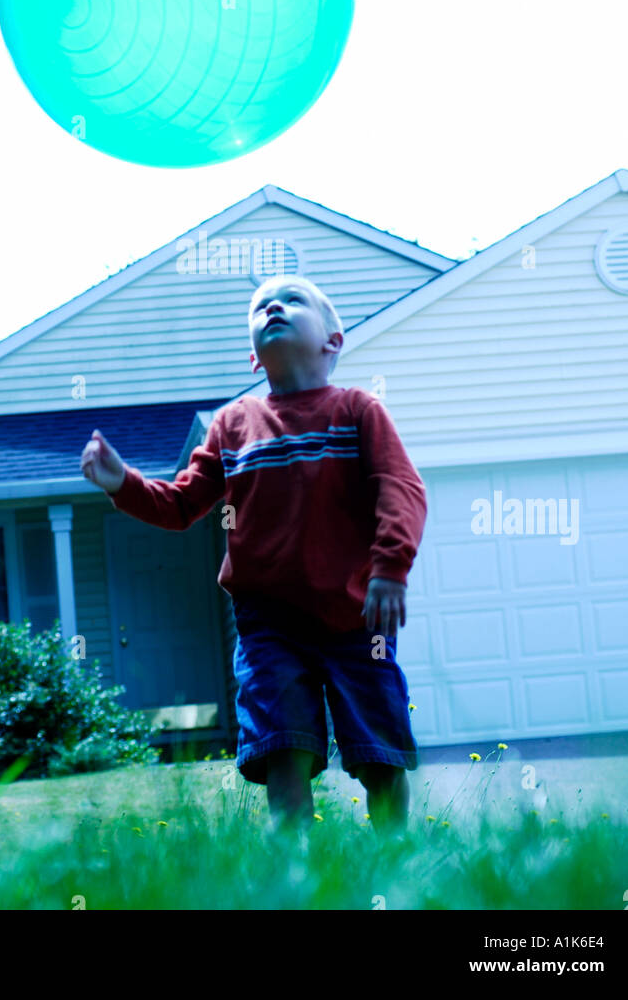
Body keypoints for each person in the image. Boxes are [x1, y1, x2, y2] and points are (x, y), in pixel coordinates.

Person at [80, 275, 427, 839]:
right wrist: (123, 482)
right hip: (269, 625)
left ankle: (397, 852)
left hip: (357, 614)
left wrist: (391, 568)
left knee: (377, 746)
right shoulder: (233, 425)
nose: (273, 307)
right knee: (283, 745)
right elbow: (180, 504)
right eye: (260, 306)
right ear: (252, 358)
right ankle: (293, 868)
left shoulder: (358, 410)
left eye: (293, 301)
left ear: (332, 341)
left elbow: (400, 487)